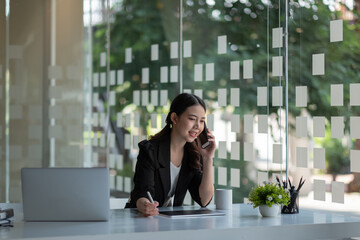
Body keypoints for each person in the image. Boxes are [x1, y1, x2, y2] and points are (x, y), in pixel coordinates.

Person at [125, 93, 216, 216]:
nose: (197, 126)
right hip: (141, 217)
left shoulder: (193, 154)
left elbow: (204, 200)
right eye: (192, 119)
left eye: (202, 121)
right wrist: (145, 205)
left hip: (168, 221)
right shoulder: (150, 150)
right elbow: (142, 193)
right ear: (174, 118)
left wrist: (207, 158)